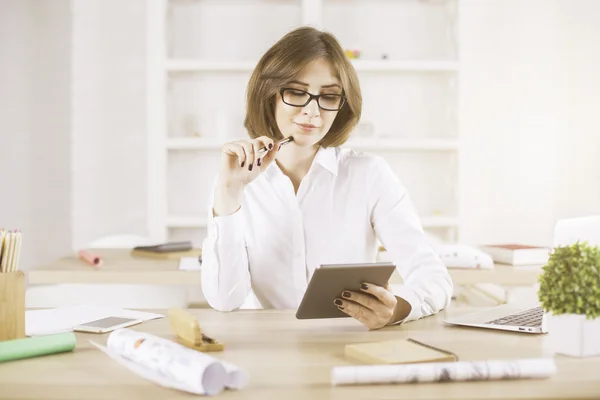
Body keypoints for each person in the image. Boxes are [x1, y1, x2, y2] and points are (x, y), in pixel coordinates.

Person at [201, 26, 453, 330]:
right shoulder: (235, 182)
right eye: (296, 92)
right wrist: (228, 194)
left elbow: (433, 276)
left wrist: (397, 308)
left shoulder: (369, 174)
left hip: (346, 342)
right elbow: (224, 300)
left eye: (329, 96)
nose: (312, 111)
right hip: (267, 349)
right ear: (270, 95)